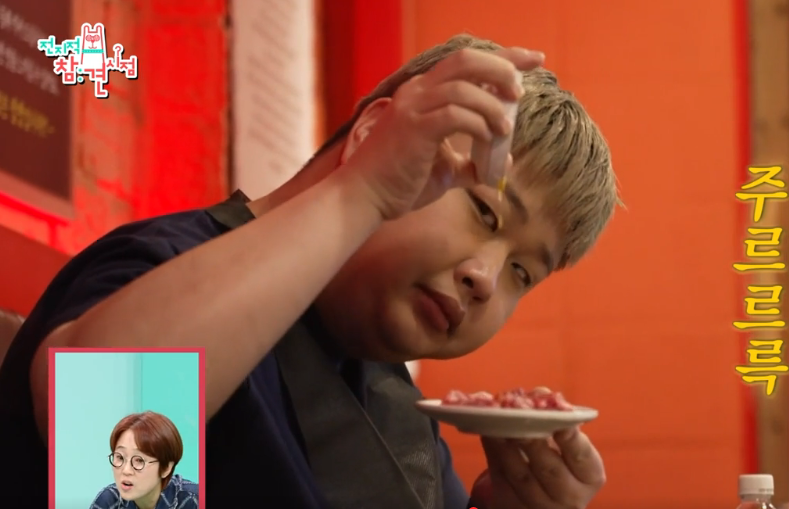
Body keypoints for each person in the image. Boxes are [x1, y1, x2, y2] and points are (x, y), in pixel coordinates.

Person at [0, 34, 619, 508]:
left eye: (522, 273)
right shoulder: (165, 268)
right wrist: (362, 192)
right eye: (484, 212)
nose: (486, 278)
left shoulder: (397, 404)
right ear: (374, 136)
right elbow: (96, 450)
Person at [90, 411, 199, 509]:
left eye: (139, 460)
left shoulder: (194, 500)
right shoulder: (108, 501)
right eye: (120, 457)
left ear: (166, 468)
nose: (126, 470)